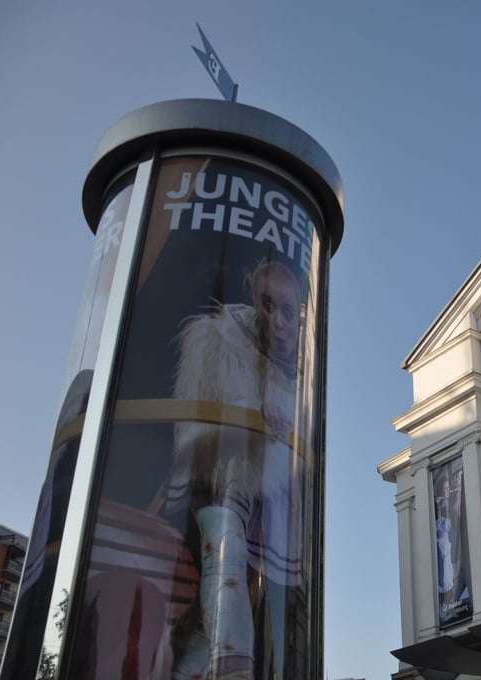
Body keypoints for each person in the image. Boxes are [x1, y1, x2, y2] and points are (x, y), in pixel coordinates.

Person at [162, 259, 306, 680]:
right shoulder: (216, 343)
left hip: (270, 509)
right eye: (268, 305)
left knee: (217, 611)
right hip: (216, 487)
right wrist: (250, 424)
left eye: (287, 311)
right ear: (253, 300)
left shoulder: (300, 379)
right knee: (225, 556)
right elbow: (191, 439)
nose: (278, 322)